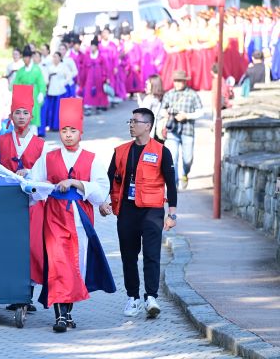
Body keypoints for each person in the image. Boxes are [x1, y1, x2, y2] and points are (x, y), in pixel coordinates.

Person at [30, 97, 115, 332]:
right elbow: (34, 184)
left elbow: (101, 190)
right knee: (58, 263)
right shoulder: (48, 157)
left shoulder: (92, 159)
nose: (68, 135)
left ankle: (67, 312)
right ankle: (60, 316)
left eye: (72, 130)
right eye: (64, 130)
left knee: (76, 264)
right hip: (54, 217)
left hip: (80, 218)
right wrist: (41, 186)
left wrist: (76, 183)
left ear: (81, 132)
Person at [98, 107, 177, 319]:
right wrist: (103, 202)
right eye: (130, 121)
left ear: (148, 126)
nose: (131, 125)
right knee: (129, 256)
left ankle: (151, 297)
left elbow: (171, 184)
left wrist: (172, 214)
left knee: (152, 255)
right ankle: (133, 297)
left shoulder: (162, 151)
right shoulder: (121, 151)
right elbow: (108, 180)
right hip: (127, 211)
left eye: (135, 121)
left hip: (152, 211)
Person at [0, 85, 47, 311]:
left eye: (25, 113)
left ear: (31, 116)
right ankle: (8, 291)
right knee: (7, 246)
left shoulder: (41, 145)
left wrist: (29, 173)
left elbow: (46, 173)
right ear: (10, 116)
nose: (21, 117)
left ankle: (26, 295)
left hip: (32, 203)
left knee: (31, 248)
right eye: (17, 113)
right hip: (5, 203)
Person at [161, 70, 203, 189]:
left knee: (187, 159)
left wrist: (186, 116)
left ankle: (185, 173)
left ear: (185, 81)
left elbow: (201, 111)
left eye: (180, 81)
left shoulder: (192, 94)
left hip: (187, 130)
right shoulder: (168, 94)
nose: (178, 83)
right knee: (172, 158)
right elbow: (162, 109)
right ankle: (174, 184)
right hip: (172, 131)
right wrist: (165, 114)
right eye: (176, 81)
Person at [13, 46, 47, 137]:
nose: (25, 60)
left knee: (33, 116)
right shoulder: (21, 71)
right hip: (23, 96)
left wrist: (41, 93)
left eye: (27, 57)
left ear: (30, 58)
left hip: (34, 94)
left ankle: (34, 136)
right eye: (24, 58)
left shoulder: (36, 69)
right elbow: (15, 84)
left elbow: (41, 82)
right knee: (24, 116)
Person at [44, 51, 73, 131]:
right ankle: (50, 125)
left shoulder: (63, 66)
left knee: (58, 109)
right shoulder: (50, 67)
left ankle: (58, 126)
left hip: (60, 90)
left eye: (56, 57)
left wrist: (63, 83)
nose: (55, 59)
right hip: (51, 90)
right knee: (51, 109)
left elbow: (69, 76)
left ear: (60, 58)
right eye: (54, 57)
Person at [81, 37, 109, 114]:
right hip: (89, 78)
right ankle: (88, 107)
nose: (92, 48)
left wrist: (105, 77)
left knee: (99, 92)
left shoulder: (101, 57)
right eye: (91, 46)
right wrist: (82, 78)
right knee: (88, 92)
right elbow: (83, 68)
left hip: (99, 78)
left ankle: (98, 106)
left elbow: (105, 68)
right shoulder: (87, 57)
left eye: (93, 46)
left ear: (96, 47)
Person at [138, 74, 165, 143]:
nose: (146, 85)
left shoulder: (149, 99)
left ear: (154, 85)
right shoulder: (163, 97)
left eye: (148, 83)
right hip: (160, 131)